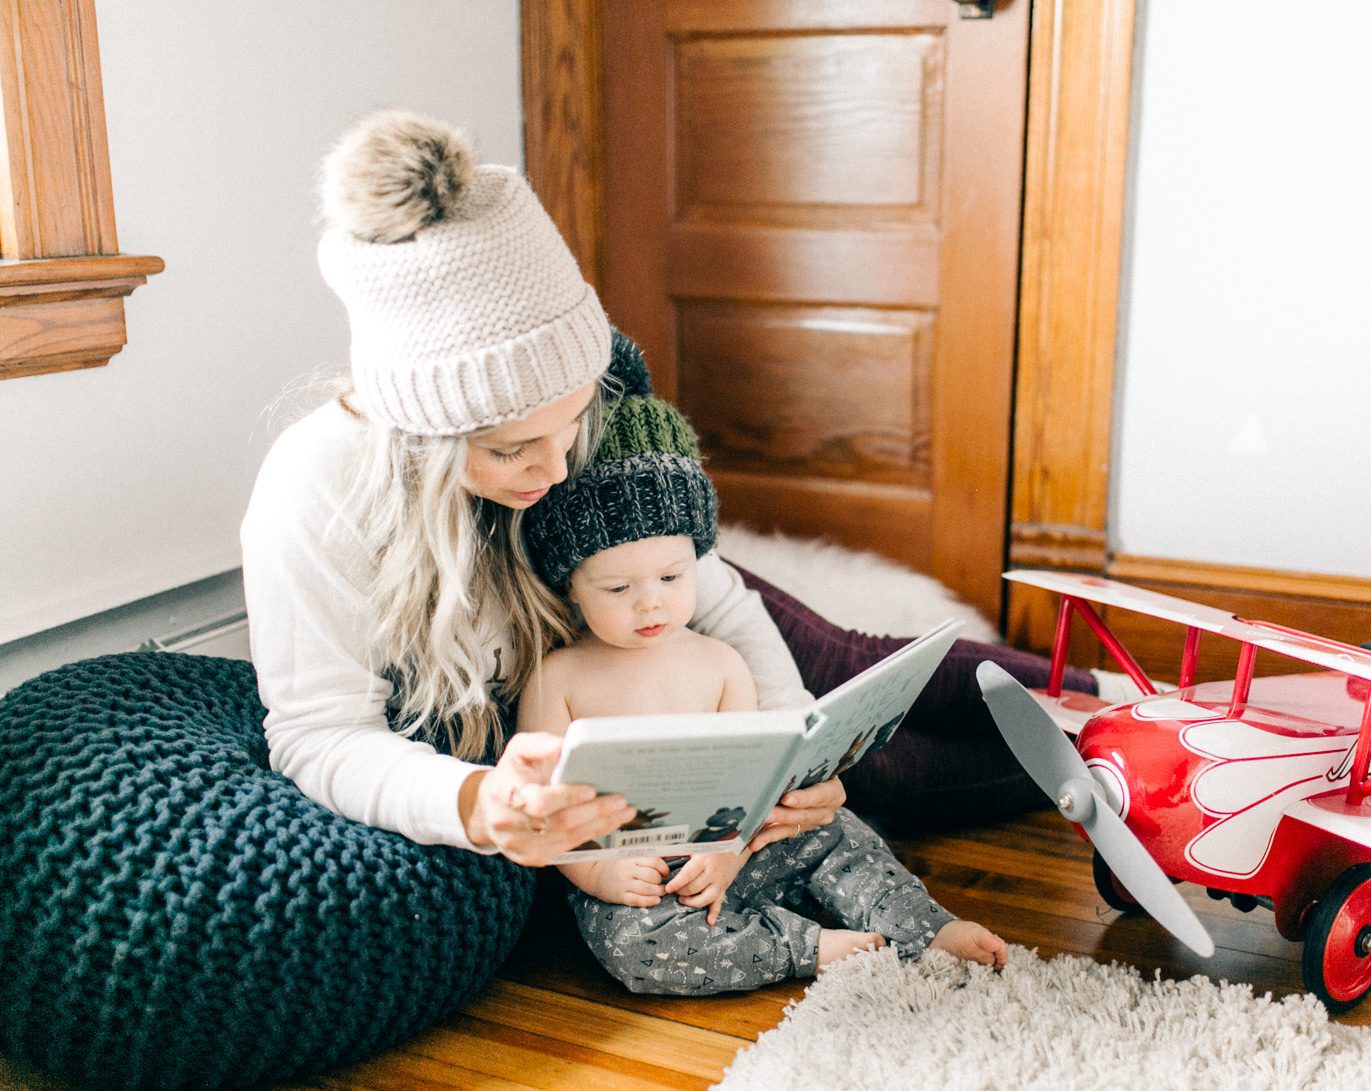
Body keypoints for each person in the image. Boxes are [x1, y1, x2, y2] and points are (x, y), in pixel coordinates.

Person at [240, 110, 844, 868]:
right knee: (906, 771)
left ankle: (1047, 709)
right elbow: (319, 733)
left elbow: (717, 598)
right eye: (511, 448)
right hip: (619, 670)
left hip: (663, 603)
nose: (558, 471)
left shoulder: (579, 402)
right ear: (422, 439)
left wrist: (788, 745)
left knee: (854, 670)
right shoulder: (316, 492)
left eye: (571, 424)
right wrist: (474, 803)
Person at [517, 395, 1007, 994]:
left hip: (743, 854)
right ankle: (804, 947)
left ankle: (924, 928)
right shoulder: (558, 678)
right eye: (618, 587)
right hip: (644, 887)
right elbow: (539, 812)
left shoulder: (722, 663)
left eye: (672, 578)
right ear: (571, 587)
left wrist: (731, 854)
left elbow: (750, 787)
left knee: (841, 835)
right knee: (635, 947)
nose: (651, 603)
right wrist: (600, 875)